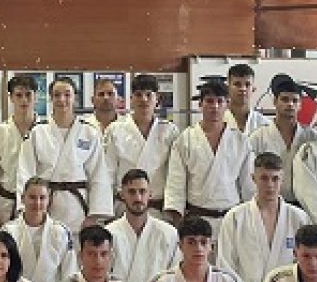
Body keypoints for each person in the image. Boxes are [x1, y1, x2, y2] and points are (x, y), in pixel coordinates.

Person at [17, 76, 110, 232]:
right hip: (44, 206)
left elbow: (98, 175)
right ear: (50, 99)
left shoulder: (89, 133)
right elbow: (25, 172)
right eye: (57, 95)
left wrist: (94, 215)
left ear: (75, 98)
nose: (62, 100)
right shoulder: (37, 132)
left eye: (67, 95)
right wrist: (25, 208)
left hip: (77, 208)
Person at [217, 152, 310, 282]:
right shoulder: (235, 217)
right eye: (264, 178)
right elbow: (225, 265)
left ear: (283, 179)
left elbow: (307, 262)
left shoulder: (299, 218)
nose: (270, 185)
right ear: (253, 178)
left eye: (275, 179)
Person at [164, 80, 252, 223]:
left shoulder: (240, 141)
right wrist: (177, 219)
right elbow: (175, 184)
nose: (215, 106)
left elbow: (248, 185)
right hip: (196, 218)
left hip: (231, 218)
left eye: (220, 101)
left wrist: (250, 217)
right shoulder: (185, 139)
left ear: (227, 104)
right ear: (200, 104)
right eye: (209, 101)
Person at [103, 73, 179, 217]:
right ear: (131, 99)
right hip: (124, 208)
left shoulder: (170, 131)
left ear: (157, 99)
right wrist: (106, 211)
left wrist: (174, 210)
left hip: (158, 209)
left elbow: (175, 176)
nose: (143, 99)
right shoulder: (115, 130)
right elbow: (108, 175)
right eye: (138, 95)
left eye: (148, 95)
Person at [247, 74, 317, 206]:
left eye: (294, 100)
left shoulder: (311, 136)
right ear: (275, 101)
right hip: (269, 202)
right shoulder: (258, 137)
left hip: (305, 204)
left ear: (300, 105)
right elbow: (250, 175)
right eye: (285, 99)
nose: (290, 104)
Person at [105, 169, 180, 282]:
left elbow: (176, 278)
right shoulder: (109, 234)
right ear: (122, 195)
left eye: (142, 191)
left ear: (150, 194)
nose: (138, 198)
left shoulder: (169, 234)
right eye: (132, 192)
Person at [1, 178, 77, 282]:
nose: (37, 203)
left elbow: (69, 272)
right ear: (23, 199)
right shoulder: (9, 231)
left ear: (49, 200)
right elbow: (2, 271)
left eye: (42, 198)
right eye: (32, 197)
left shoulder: (61, 231)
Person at [0, 73, 41, 226]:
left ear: (36, 97)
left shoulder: (45, 131)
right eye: (19, 95)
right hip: (6, 204)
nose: (24, 100)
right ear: (11, 98)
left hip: (38, 204)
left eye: (28, 95)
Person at [224, 63, 269, 135]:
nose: (243, 89)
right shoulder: (218, 121)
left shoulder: (264, 124)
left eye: (247, 84)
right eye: (237, 84)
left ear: (253, 89)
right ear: (228, 88)